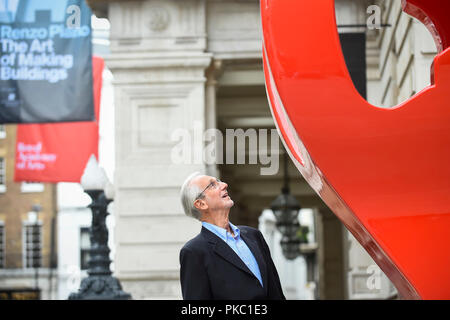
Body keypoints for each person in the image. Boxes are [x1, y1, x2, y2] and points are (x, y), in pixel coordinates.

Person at [179, 172, 286, 300]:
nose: (224, 185)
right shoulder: (194, 252)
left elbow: (276, 292)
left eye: (219, 181)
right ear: (201, 204)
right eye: (213, 185)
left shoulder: (254, 236)